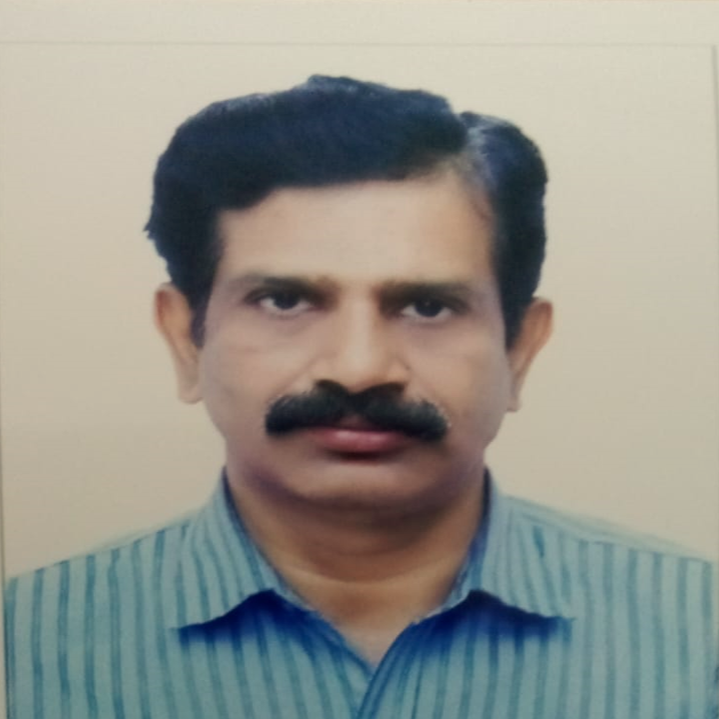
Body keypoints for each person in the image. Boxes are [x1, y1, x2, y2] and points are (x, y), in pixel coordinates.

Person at [4, 75, 716, 719]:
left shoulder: (699, 634)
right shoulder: (25, 647)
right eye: (284, 299)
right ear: (186, 340)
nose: (359, 368)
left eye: (428, 306)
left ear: (519, 349)